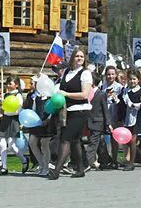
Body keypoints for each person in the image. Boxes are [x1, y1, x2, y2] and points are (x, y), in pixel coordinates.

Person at [49, 48, 93, 180]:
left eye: (81, 56)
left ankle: (56, 170)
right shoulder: (67, 72)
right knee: (74, 140)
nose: (79, 58)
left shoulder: (85, 73)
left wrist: (66, 94)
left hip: (80, 110)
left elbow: (84, 94)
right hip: (66, 110)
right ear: (72, 57)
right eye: (77, 56)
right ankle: (80, 169)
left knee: (65, 138)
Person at [24, 75, 55, 177]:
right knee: (32, 142)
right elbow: (33, 108)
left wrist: (48, 119)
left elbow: (52, 108)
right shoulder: (36, 96)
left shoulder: (50, 95)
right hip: (37, 122)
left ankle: (46, 167)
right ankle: (41, 164)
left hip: (46, 122)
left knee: (44, 144)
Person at [0, 76, 28, 175]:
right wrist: (1, 106)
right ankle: (4, 167)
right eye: (7, 83)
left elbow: (18, 109)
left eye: (10, 83)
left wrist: (9, 110)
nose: (8, 85)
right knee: (2, 144)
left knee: (11, 145)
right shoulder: (5, 95)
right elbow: (2, 111)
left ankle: (24, 160)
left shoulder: (18, 95)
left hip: (14, 120)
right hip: (5, 120)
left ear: (16, 85)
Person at [122, 69, 141, 170]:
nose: (132, 81)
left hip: (136, 118)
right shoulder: (126, 91)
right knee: (127, 141)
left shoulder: (140, 91)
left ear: (138, 80)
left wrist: (133, 105)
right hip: (127, 117)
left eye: (134, 79)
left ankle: (131, 163)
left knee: (132, 140)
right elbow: (121, 101)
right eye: (130, 79)